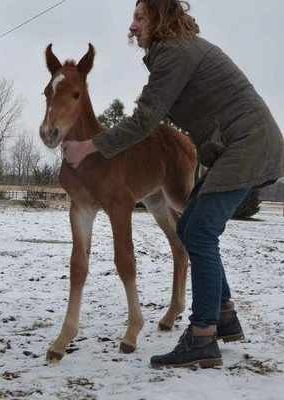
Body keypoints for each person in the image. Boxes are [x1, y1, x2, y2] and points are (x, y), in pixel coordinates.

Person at [62, 0, 284, 368]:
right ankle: (224, 315)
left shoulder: (175, 55)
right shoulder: (176, 50)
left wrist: (91, 145)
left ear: (159, 18)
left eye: (138, 18)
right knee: (190, 225)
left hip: (247, 144)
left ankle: (202, 337)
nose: (131, 27)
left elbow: (145, 119)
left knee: (197, 233)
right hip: (240, 143)